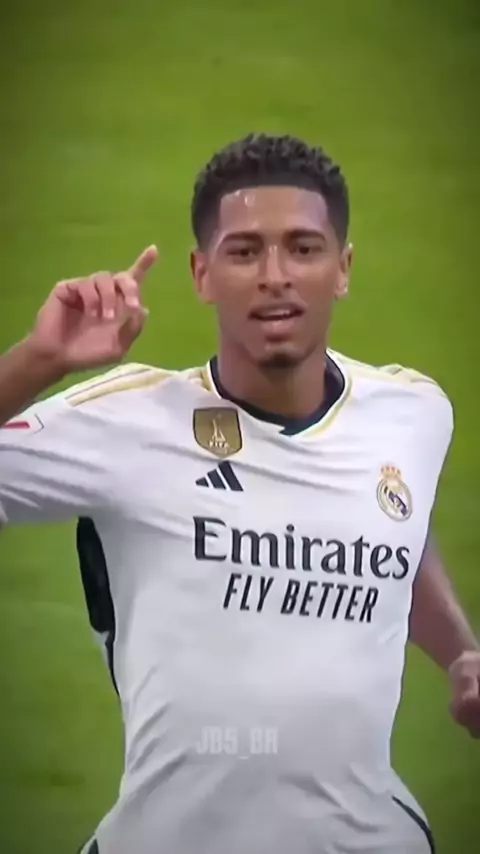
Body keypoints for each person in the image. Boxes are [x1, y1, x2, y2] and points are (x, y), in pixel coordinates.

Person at [0, 133, 478, 854]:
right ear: (202, 274)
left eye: (304, 249)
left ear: (343, 269)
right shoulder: (126, 424)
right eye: (245, 251)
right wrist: (39, 360)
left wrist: (463, 652)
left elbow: (395, 530)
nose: (275, 276)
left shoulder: (412, 413)